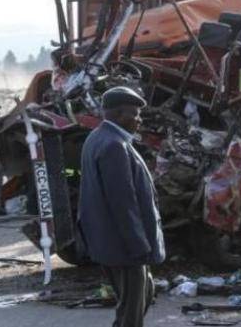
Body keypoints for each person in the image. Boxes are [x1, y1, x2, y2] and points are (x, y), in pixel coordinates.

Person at [78, 86, 165, 327]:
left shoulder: (97, 138)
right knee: (132, 311)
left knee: (142, 296)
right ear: (119, 115)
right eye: (135, 114)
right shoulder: (114, 146)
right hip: (124, 246)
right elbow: (123, 203)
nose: (139, 119)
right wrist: (139, 247)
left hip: (113, 243)